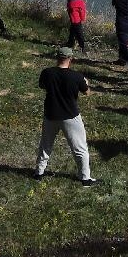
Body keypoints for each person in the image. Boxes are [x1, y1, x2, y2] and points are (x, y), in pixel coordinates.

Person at [34, 45, 96, 186]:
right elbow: (87, 92)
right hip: (70, 115)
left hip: (50, 114)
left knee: (46, 145)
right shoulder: (76, 77)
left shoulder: (47, 73)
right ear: (70, 59)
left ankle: (39, 172)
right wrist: (86, 82)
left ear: (57, 58)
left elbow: (42, 86)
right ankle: (85, 178)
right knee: (80, 148)